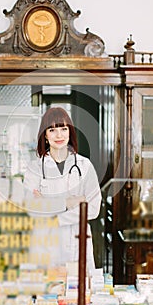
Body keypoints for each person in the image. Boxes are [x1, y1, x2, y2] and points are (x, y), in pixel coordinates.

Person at [23, 107, 102, 271]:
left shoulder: (84, 165)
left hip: (77, 239)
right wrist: (70, 202)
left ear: (70, 132)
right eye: (52, 130)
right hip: (46, 243)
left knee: (78, 291)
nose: (59, 135)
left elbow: (93, 208)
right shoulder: (34, 168)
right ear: (45, 135)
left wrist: (53, 214)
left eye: (63, 129)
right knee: (47, 292)